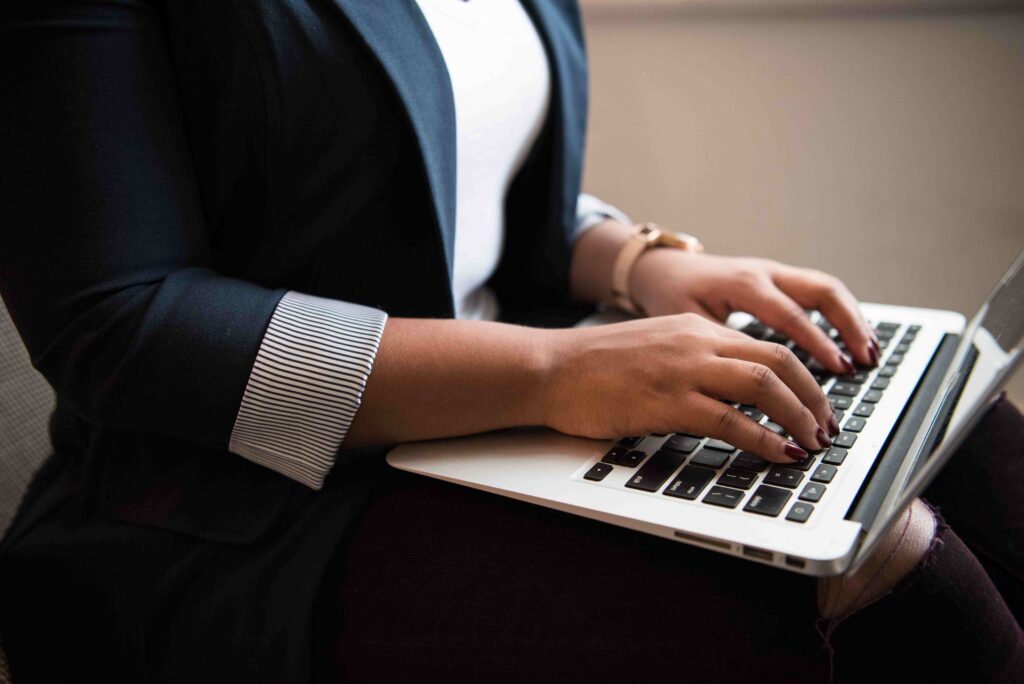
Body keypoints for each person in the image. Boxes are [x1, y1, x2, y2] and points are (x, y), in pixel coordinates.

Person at [0, 1, 1020, 682]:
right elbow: (117, 321)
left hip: (510, 415)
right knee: (877, 563)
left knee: (953, 431)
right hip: (237, 505)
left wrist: (641, 264)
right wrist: (557, 370)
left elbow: (446, 177)